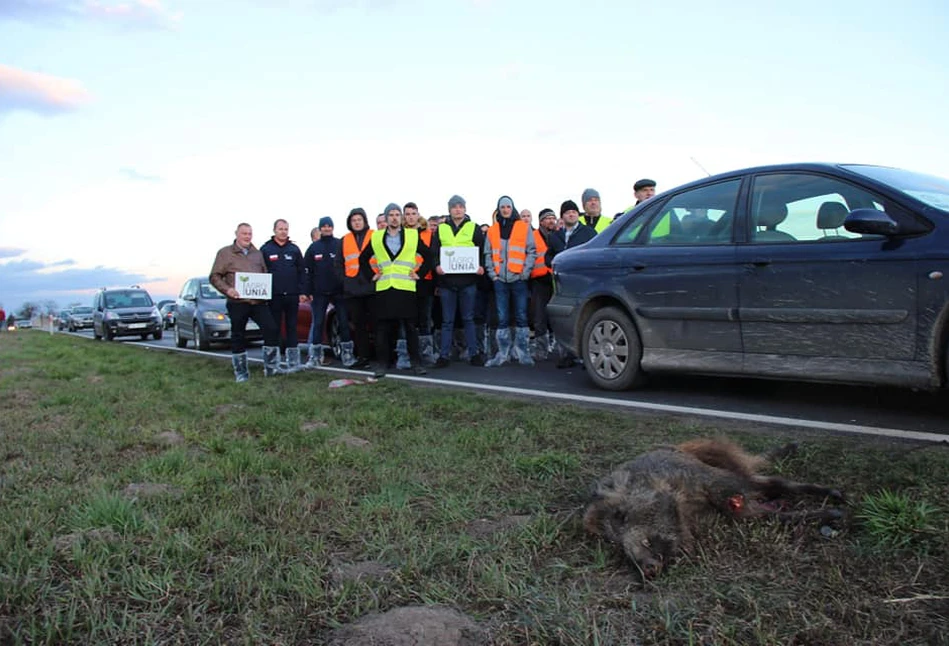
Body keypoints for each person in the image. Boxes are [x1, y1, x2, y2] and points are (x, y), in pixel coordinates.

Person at [358, 202, 432, 377]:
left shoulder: (412, 235)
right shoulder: (377, 237)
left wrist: (419, 273)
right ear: (386, 217)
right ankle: (383, 364)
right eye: (391, 215)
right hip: (384, 288)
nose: (394, 218)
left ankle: (416, 363)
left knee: (410, 328)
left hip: (406, 287)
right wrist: (372, 275)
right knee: (383, 329)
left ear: (402, 217)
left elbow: (428, 256)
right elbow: (363, 259)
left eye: (397, 215)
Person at [209, 222, 283, 382]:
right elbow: (214, 276)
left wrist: (265, 289)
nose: (247, 236)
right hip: (237, 301)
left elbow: (264, 273)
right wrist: (228, 289)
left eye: (249, 234)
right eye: (244, 233)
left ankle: (271, 368)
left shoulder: (257, 254)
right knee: (238, 335)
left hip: (258, 302)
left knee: (271, 328)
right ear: (236, 234)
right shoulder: (225, 253)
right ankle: (241, 372)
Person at [429, 194, 486, 368]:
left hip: (468, 281)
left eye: (460, 206)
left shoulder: (473, 228)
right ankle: (444, 356)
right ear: (449, 210)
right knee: (447, 321)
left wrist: (481, 266)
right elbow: (434, 252)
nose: (457, 209)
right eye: (454, 207)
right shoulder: (441, 229)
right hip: (447, 282)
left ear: (465, 209)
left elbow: (482, 250)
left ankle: (474, 353)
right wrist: (437, 266)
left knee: (469, 319)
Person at [484, 195, 535, 367]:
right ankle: (503, 353)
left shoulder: (523, 227)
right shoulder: (493, 230)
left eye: (508, 206)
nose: (505, 209)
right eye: (502, 207)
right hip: (500, 280)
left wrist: (525, 273)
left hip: (518, 279)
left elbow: (531, 251)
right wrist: (493, 275)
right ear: (498, 210)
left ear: (512, 208)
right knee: (502, 317)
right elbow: (488, 254)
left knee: (521, 316)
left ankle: (522, 353)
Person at [546, 200, 596, 368]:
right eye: (568, 212)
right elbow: (548, 255)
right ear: (563, 216)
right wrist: (552, 263)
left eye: (574, 212)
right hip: (561, 284)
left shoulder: (588, 232)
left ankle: (585, 357)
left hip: (582, 282)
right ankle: (567, 354)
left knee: (583, 317)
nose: (572, 214)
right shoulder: (555, 236)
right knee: (564, 319)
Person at [303, 217, 356, 369]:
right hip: (319, 293)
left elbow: (348, 266)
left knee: (344, 323)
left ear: (333, 228)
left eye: (329, 226)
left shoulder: (340, 244)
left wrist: (347, 286)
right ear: (320, 229)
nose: (327, 229)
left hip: (339, 291)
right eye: (324, 227)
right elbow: (307, 271)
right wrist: (307, 291)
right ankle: (315, 356)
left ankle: (347, 354)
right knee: (318, 323)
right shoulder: (314, 248)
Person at [260, 219, 306, 371]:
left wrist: (302, 291)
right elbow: (260, 272)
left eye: (286, 229)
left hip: (292, 295)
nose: (283, 232)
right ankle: (274, 363)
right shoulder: (266, 249)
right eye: (280, 229)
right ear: (274, 230)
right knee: (274, 328)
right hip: (274, 296)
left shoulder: (294, 249)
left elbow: (302, 271)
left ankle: (293, 363)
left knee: (292, 327)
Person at [336, 208, 374, 369]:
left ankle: (381, 357)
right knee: (358, 326)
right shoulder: (344, 240)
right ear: (350, 223)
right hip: (353, 289)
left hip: (372, 286)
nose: (357, 222)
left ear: (364, 220)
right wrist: (345, 282)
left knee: (378, 324)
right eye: (354, 220)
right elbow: (338, 264)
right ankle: (363, 357)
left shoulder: (375, 235)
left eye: (359, 219)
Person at [530, 208, 558, 360]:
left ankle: (556, 346)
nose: (551, 221)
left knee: (557, 314)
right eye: (548, 218)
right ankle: (541, 349)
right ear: (541, 221)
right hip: (539, 280)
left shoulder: (559, 235)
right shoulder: (533, 236)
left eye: (553, 218)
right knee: (539, 316)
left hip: (556, 280)